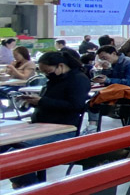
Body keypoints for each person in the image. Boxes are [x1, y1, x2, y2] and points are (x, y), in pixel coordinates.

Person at [9, 50, 91, 187]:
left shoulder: (78, 80)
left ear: (60, 66)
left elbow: (75, 106)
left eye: (48, 71)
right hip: (42, 127)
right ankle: (27, 186)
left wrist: (41, 101)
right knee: (7, 148)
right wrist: (31, 101)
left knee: (15, 155)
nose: (46, 74)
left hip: (63, 130)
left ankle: (31, 191)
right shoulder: (54, 79)